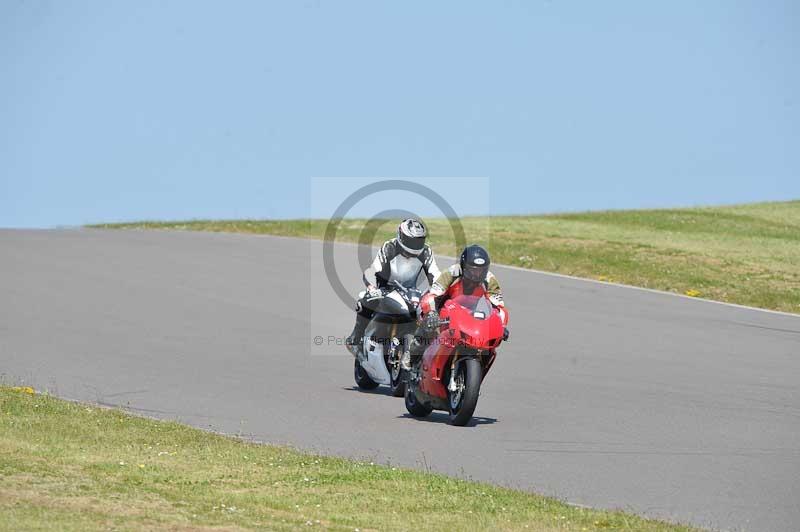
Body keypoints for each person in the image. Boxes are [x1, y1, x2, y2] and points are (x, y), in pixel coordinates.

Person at [401, 244, 507, 370]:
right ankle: (411, 356)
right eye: (472, 269)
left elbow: (499, 307)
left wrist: (502, 325)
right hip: (441, 308)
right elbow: (432, 295)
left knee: (486, 340)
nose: (477, 274)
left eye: (481, 270)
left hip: (467, 311)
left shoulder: (489, 279)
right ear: (463, 266)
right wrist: (432, 313)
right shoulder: (452, 273)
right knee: (429, 326)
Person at [345, 219, 440, 355]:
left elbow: (435, 275)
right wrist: (372, 287)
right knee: (363, 301)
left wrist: (437, 293)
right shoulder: (389, 247)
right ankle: (355, 340)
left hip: (411, 294)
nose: (416, 245)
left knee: (431, 318)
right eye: (412, 241)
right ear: (401, 236)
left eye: (419, 241)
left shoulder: (426, 252)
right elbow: (372, 270)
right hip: (385, 290)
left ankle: (421, 355)